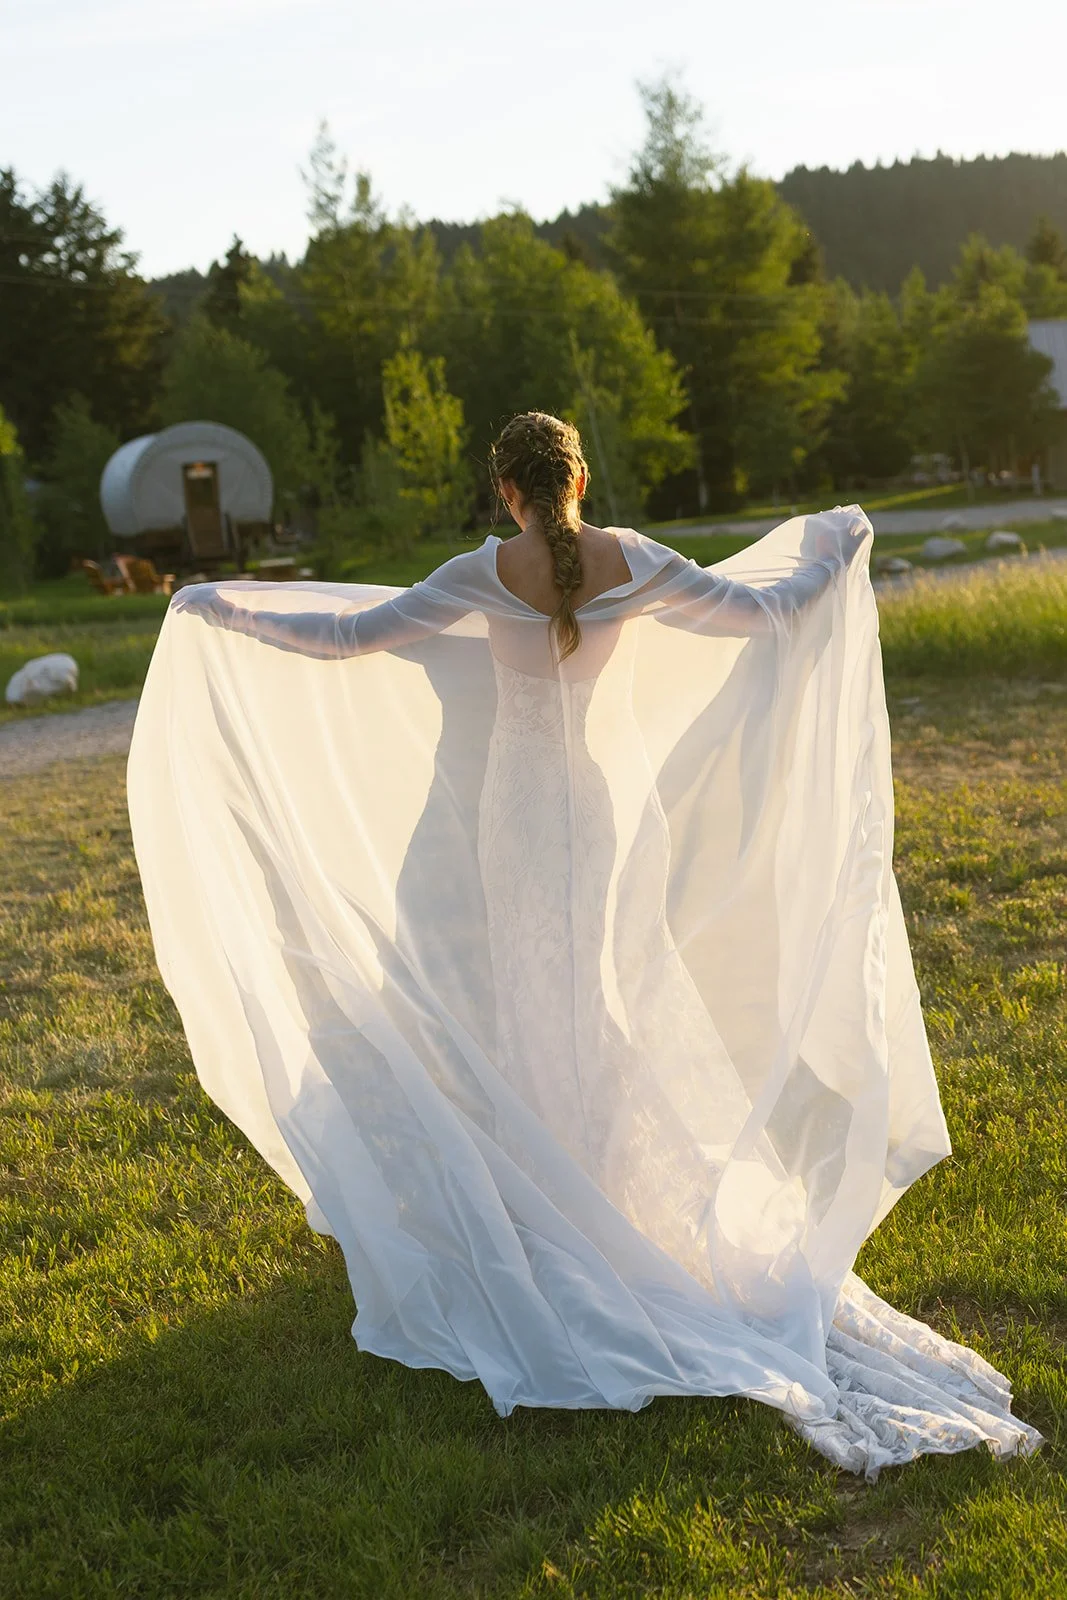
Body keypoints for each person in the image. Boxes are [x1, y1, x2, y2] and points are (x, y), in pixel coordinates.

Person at [130, 411, 1041, 1479]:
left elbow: (346, 637)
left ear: (506, 492)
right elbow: (765, 612)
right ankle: (594, 1174)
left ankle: (559, 1190)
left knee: (531, 993)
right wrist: (836, 548)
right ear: (577, 478)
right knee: (596, 989)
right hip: (592, 811)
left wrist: (212, 605)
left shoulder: (483, 568)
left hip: (514, 818)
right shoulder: (633, 558)